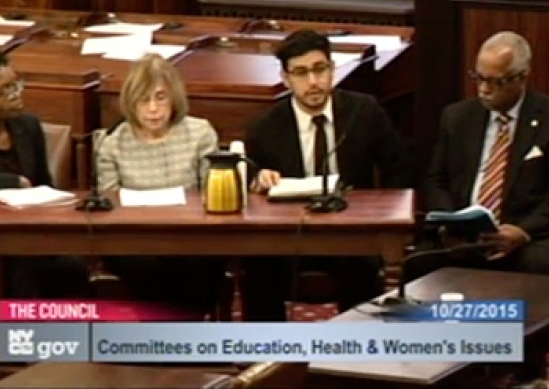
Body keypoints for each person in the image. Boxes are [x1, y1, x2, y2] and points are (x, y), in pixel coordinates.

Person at [243, 29, 414, 321]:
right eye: (300, 73)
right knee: (259, 268)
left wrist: (379, 218)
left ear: (332, 69)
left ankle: (356, 356)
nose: (313, 82)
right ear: (285, 78)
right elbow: (249, 179)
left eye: (320, 69)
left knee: (360, 268)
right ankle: (268, 357)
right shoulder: (266, 126)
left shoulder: (364, 112)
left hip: (351, 232)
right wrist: (258, 180)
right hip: (290, 234)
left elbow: (399, 171)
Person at [409, 31, 549, 280]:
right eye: (479, 78)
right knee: (418, 263)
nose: (484, 90)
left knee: (537, 265)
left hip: (526, 236)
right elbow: (436, 180)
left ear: (522, 77)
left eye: (496, 82)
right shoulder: (457, 117)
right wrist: (449, 223)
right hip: (464, 235)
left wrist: (523, 232)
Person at [96, 53, 224, 316]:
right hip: (133, 241)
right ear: (131, 103)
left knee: (197, 263)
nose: (153, 109)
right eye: (143, 100)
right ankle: (167, 341)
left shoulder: (200, 133)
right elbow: (109, 206)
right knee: (143, 265)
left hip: (191, 237)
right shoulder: (113, 143)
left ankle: (184, 342)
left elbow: (212, 196)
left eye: (160, 97)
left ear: (173, 98)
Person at [0, 49, 90, 298]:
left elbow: (44, 186)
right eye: (6, 90)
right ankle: (17, 333)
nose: (17, 95)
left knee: (73, 267)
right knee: (20, 264)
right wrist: (12, 181)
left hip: (27, 231)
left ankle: (75, 334)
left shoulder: (28, 125)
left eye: (17, 84)